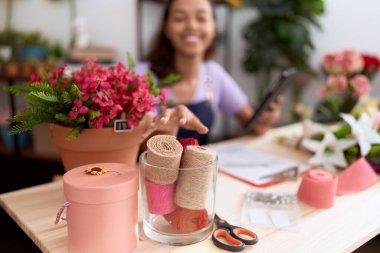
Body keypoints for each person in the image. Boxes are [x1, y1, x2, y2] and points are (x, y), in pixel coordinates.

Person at [139, 0, 284, 144]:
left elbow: (252, 124)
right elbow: (139, 145)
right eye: (179, 18)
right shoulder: (142, 76)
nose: (192, 26)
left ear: (214, 27)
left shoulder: (213, 73)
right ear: (166, 28)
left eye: (201, 18)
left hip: (203, 167)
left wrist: (265, 120)